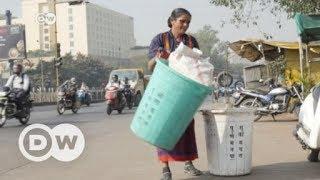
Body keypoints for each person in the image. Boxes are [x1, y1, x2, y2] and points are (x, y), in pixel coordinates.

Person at [148, 8, 202, 180]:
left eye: (188, 22)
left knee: (186, 128)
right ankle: (165, 169)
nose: (185, 25)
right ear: (172, 21)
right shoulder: (160, 39)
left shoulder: (191, 41)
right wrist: (158, 57)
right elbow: (149, 66)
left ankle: (189, 164)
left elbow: (199, 65)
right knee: (164, 128)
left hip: (185, 93)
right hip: (165, 90)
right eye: (182, 21)